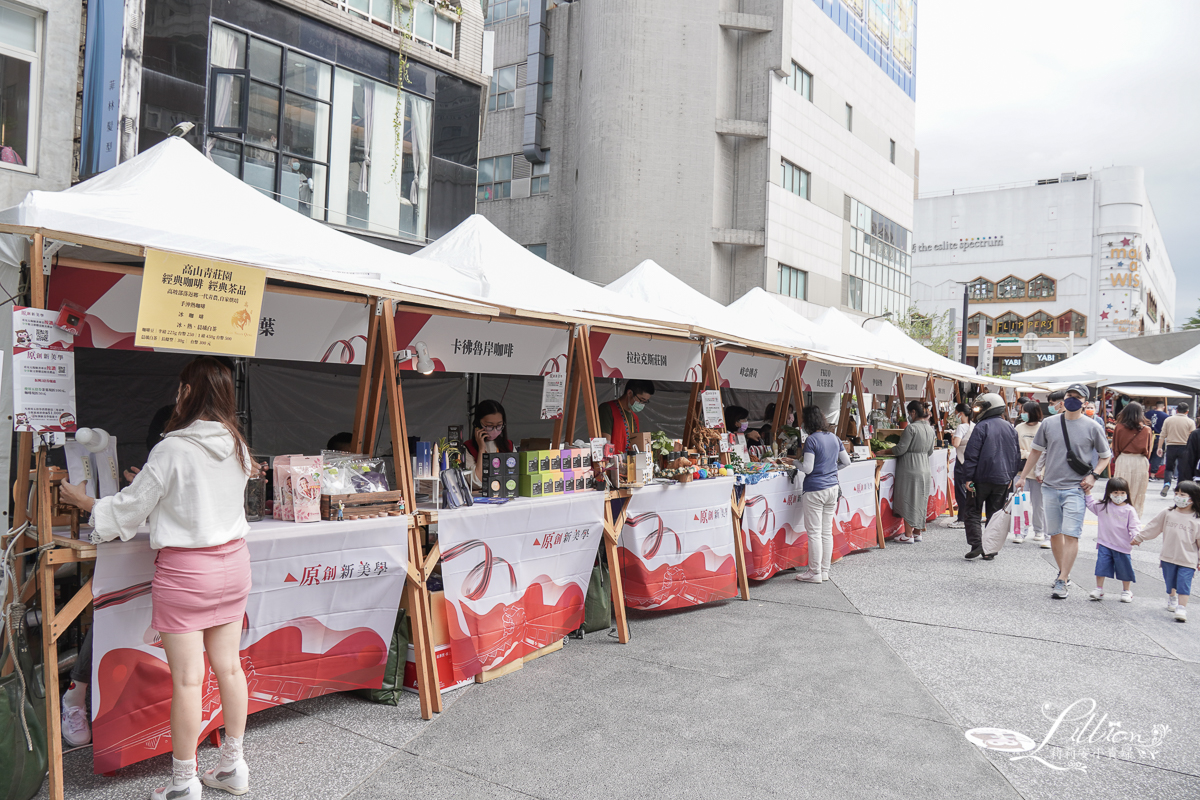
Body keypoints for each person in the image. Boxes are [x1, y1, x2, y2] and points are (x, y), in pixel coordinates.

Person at [59, 357, 254, 799]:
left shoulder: (172, 447)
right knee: (228, 667)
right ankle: (232, 766)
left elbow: (128, 510)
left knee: (188, 679)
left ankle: (185, 785)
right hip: (235, 564)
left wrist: (81, 500)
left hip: (188, 572)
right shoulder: (237, 444)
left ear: (188, 392)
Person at [1014, 383, 1112, 600]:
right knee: (1055, 534)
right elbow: (1035, 452)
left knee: (1071, 534)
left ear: (1085, 403)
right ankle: (1063, 574)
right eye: (1069, 395)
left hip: (1076, 489)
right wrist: (1022, 477)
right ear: (1062, 399)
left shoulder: (1092, 426)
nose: (1072, 399)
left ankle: (1062, 579)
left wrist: (1094, 475)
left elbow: (1106, 455)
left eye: (1077, 397)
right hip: (1049, 486)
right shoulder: (1048, 424)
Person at [960, 393, 1022, 560]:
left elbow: (971, 454)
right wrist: (1011, 476)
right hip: (1002, 479)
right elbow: (1016, 455)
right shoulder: (1010, 427)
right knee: (995, 514)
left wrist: (968, 478)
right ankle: (990, 550)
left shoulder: (981, 426)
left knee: (973, 511)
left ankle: (977, 544)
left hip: (981, 478)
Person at [795, 405, 851, 583]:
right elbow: (846, 462)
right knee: (826, 532)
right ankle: (824, 571)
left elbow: (807, 468)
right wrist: (832, 470)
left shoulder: (811, 440)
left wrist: (794, 462)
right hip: (832, 488)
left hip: (814, 489)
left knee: (814, 532)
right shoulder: (834, 438)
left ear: (808, 422)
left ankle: (814, 572)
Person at [1133, 480, 1200, 623]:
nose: (1178, 497)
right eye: (1176, 493)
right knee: (1170, 582)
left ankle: (1181, 608)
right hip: (1168, 557)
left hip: (1188, 559)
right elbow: (1153, 527)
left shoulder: (1197, 519)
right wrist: (1139, 537)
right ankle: (1172, 597)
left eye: (1183, 494)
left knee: (1184, 583)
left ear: (1193, 498)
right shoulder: (1168, 513)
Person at [1085, 477, 1139, 603]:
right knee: (1101, 567)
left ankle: (1126, 590)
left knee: (1124, 569)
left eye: (1122, 493)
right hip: (1105, 543)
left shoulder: (1129, 510)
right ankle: (1099, 589)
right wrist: (1087, 492)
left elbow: (1134, 526)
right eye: (1115, 493)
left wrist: (1135, 537)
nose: (1119, 496)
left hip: (1122, 546)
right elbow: (1091, 504)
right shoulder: (1103, 506)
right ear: (1109, 493)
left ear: (1127, 493)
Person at [893, 400, 936, 544]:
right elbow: (930, 451)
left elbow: (900, 449)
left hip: (909, 467)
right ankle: (917, 532)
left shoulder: (911, 429)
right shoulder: (930, 429)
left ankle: (908, 534)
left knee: (909, 498)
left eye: (909, 413)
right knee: (921, 499)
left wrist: (885, 450)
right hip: (924, 466)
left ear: (913, 412)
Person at [1013, 401, 1048, 545]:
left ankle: (1039, 530)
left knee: (1039, 504)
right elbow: (1015, 449)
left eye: (1024, 411)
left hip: (1039, 472)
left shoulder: (1043, 427)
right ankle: (1020, 531)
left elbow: (1046, 451)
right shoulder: (1018, 428)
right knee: (1020, 502)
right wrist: (1030, 454)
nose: (1022, 414)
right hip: (1022, 471)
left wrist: (1042, 470)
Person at [1111, 402, 1153, 515]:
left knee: (1120, 489)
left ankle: (1118, 514)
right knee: (1138, 491)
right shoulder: (1147, 430)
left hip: (1123, 459)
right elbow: (1149, 450)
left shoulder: (1119, 427)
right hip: (1140, 460)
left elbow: (1115, 448)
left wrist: (1118, 458)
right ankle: (1135, 516)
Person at [463, 399, 516, 489]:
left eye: (499, 425)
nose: (494, 430)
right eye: (489, 426)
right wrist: (481, 449)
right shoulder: (467, 448)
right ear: (477, 424)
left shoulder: (509, 445)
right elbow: (477, 482)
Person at [598, 379, 653, 453]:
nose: (642, 404)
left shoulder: (635, 417)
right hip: (612, 462)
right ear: (629, 393)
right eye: (641, 400)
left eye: (645, 401)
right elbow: (604, 442)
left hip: (630, 463)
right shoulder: (607, 409)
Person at [1158, 403, 1195, 497]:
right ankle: (1179, 489)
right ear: (1187, 411)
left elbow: (1162, 434)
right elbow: (1192, 437)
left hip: (1171, 446)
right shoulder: (1190, 422)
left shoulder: (1168, 419)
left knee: (1169, 468)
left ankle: (1167, 483)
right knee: (1182, 469)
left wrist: (1159, 447)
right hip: (1185, 447)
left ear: (1177, 410)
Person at [948, 403, 975, 530]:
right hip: (972, 461)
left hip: (961, 461)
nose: (955, 415)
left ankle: (962, 518)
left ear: (961, 414)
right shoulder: (974, 426)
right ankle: (971, 516)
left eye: (956, 413)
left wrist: (953, 437)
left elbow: (956, 444)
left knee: (960, 490)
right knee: (971, 490)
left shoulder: (961, 427)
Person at [1146, 400, 1169, 478]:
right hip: (1159, 437)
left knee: (1147, 454)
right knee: (1157, 456)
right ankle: (1152, 475)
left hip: (1148, 437)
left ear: (1155, 406)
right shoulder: (1166, 416)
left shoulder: (1147, 414)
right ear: (1164, 407)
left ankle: (1145, 472)